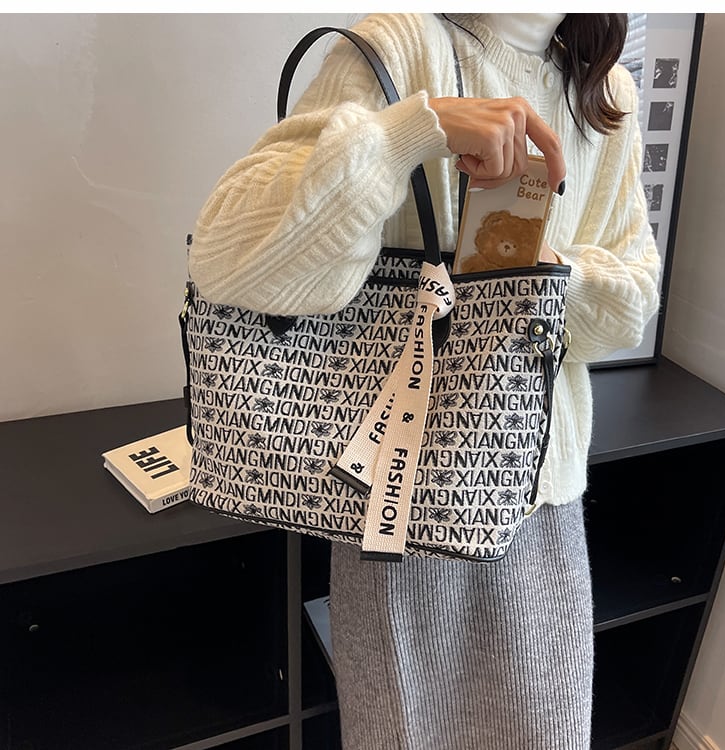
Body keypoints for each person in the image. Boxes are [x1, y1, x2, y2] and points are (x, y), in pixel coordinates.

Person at [189, 13, 661, 750]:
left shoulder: (606, 93)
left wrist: (532, 275)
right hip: (397, 500)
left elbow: (630, 304)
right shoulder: (401, 43)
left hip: (544, 497)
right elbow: (226, 257)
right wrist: (409, 134)